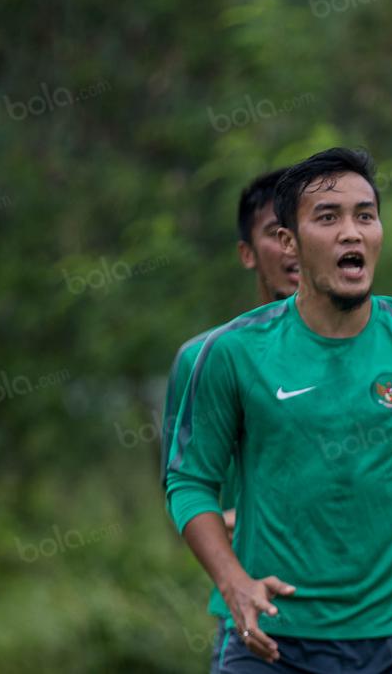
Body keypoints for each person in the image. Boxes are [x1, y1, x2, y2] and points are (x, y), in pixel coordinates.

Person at [165, 148, 392, 673]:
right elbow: (189, 482)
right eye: (328, 217)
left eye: (365, 215)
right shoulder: (232, 352)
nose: (351, 231)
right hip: (270, 640)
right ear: (290, 242)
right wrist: (233, 581)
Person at [160, 168, 299, 670]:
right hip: (253, 601)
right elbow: (186, 481)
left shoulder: (386, 354)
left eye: (301, 227)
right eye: (274, 234)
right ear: (247, 253)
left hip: (368, 614)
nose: (292, 247)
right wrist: (231, 520)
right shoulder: (201, 357)